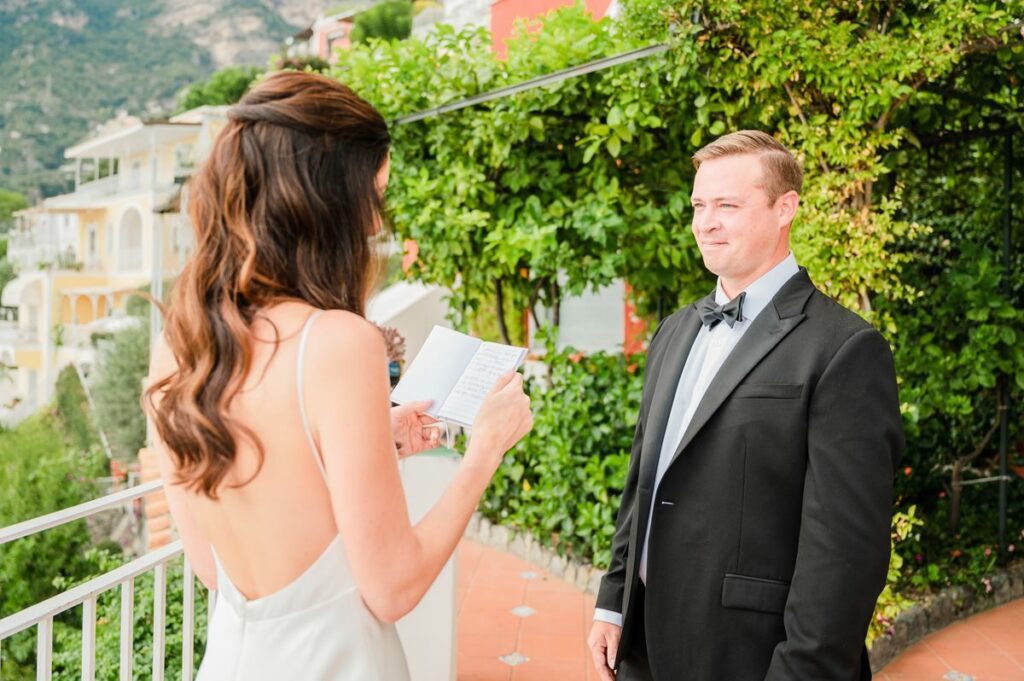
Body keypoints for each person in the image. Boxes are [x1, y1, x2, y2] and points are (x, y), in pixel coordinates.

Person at [144, 71, 533, 680]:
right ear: (324, 200)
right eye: (371, 199)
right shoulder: (338, 342)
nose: (375, 226)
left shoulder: (178, 347)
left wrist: (379, 442)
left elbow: (212, 565)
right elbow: (394, 588)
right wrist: (484, 450)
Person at [587, 130, 903, 681]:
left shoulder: (845, 349)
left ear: (786, 209)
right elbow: (646, 478)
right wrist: (613, 602)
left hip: (748, 656)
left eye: (727, 205)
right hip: (642, 645)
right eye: (699, 205)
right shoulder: (674, 330)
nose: (705, 222)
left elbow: (844, 556)